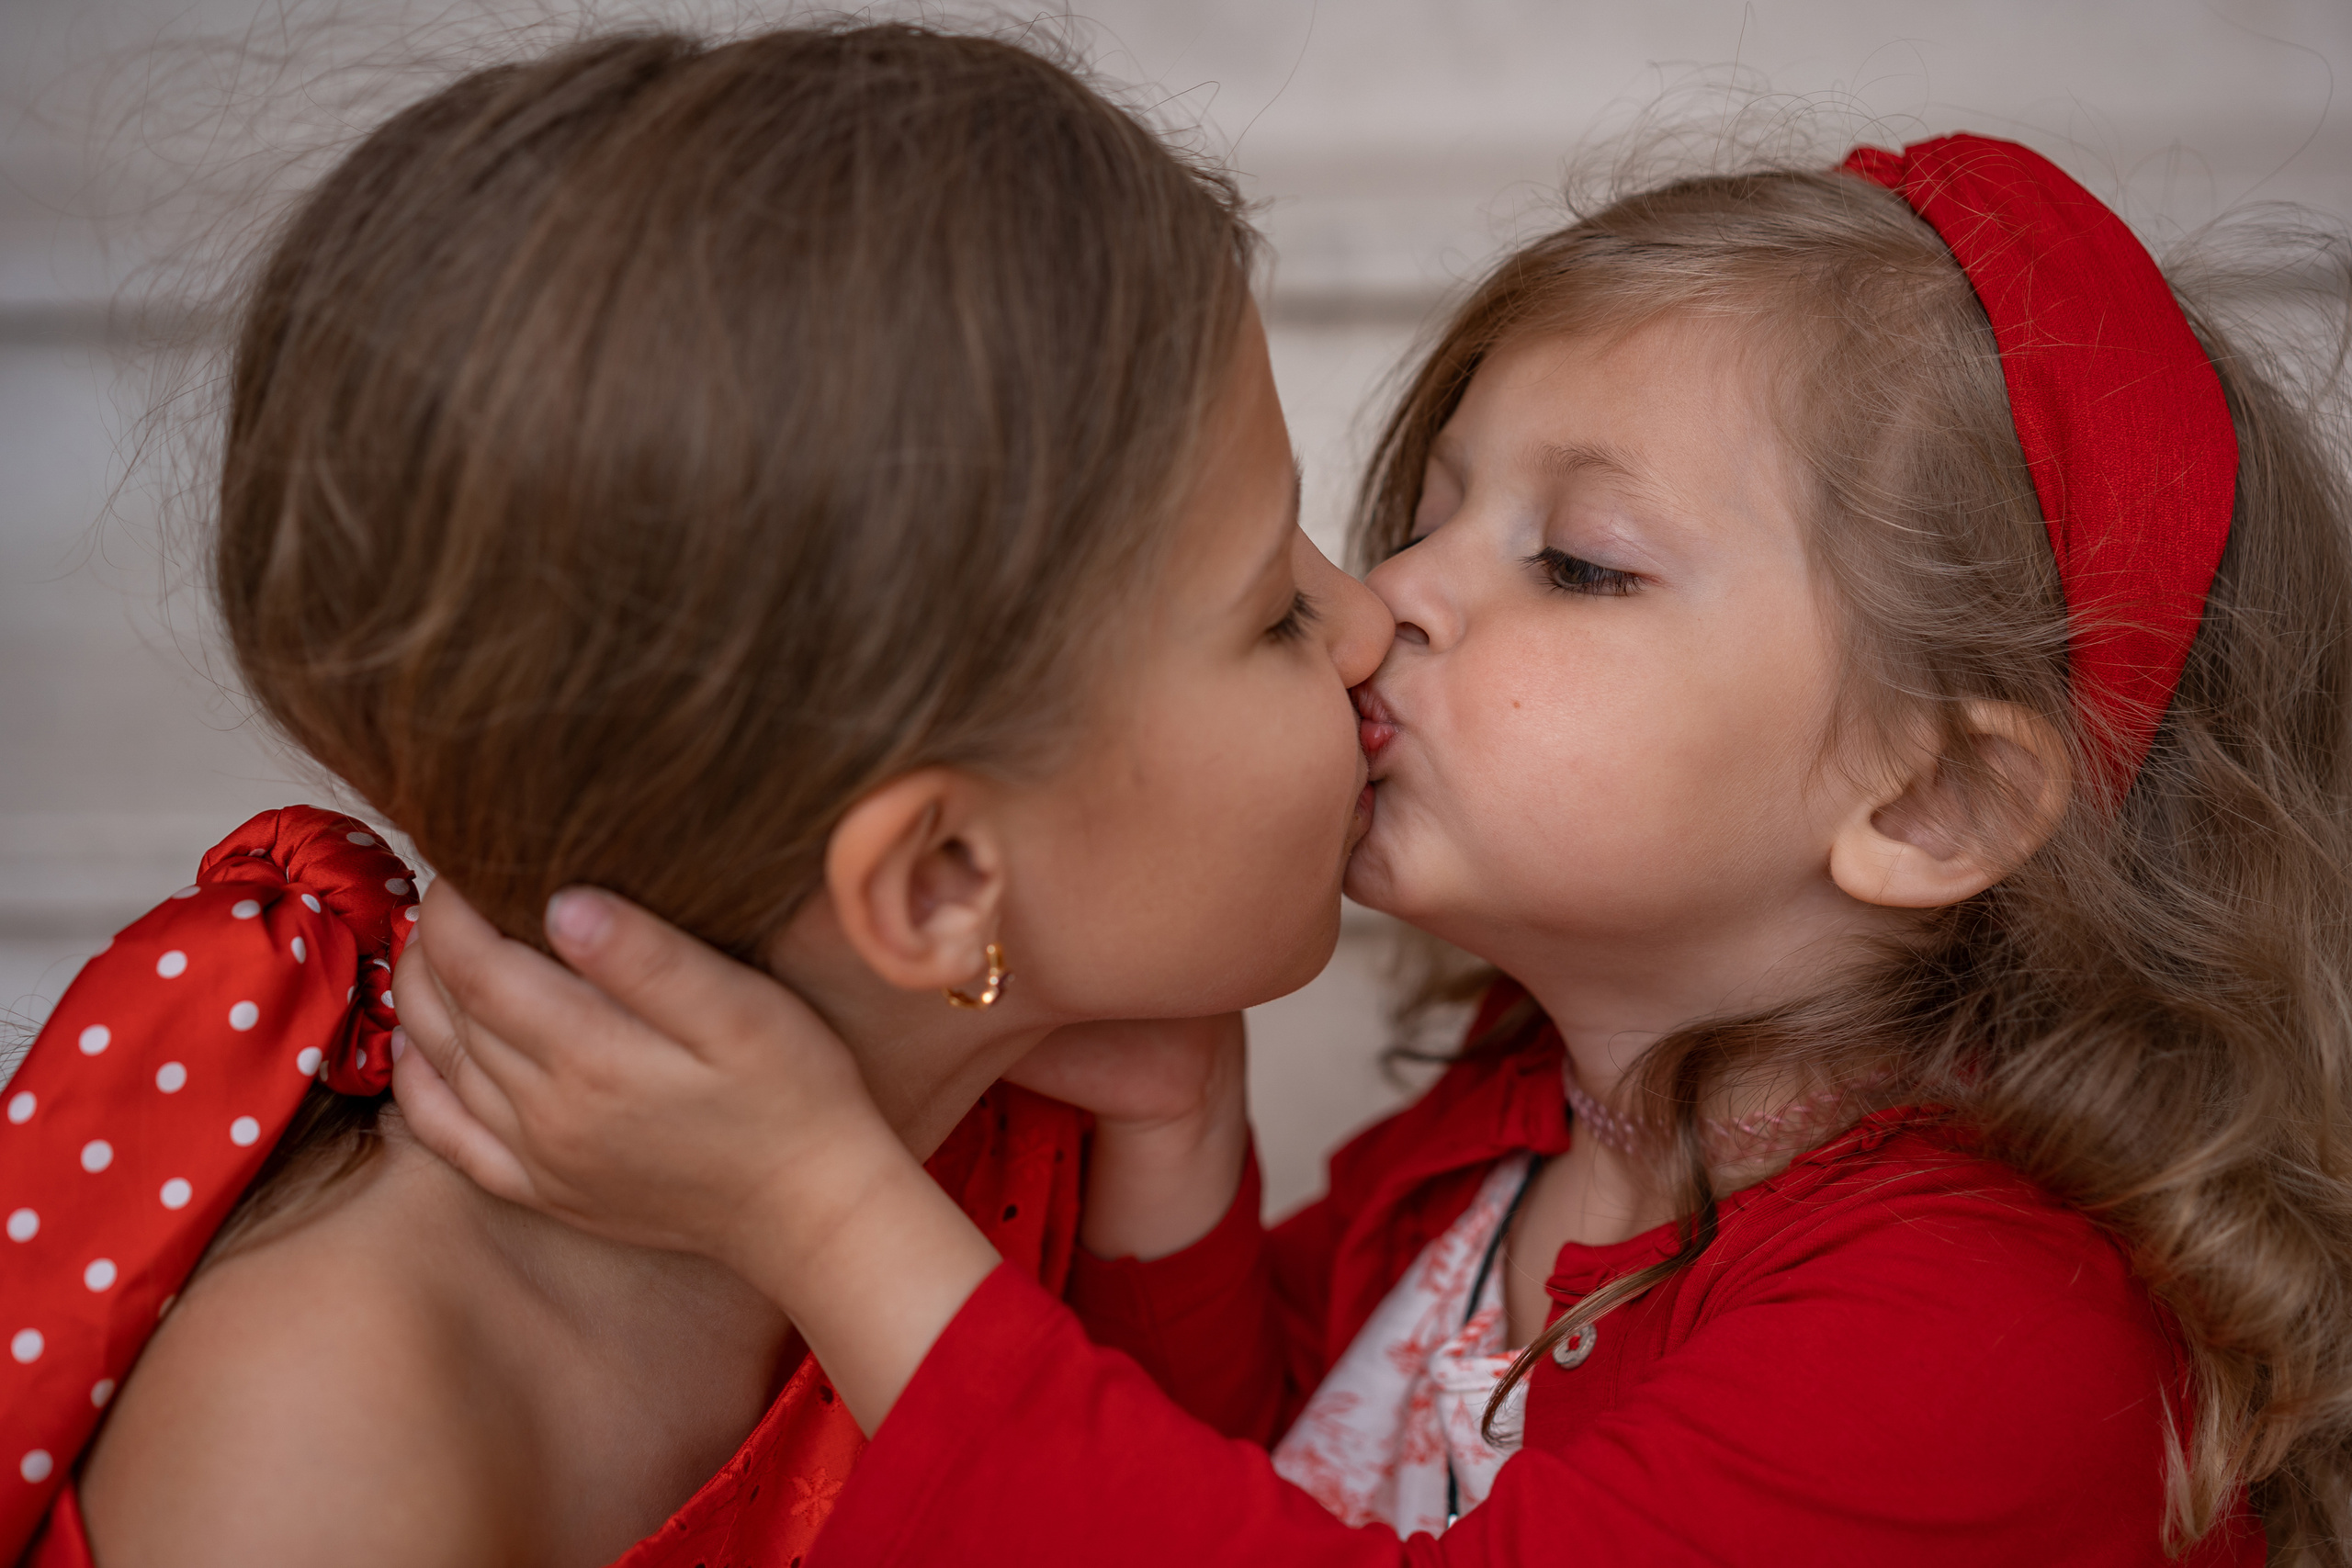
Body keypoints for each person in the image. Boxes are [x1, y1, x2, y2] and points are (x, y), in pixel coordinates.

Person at [393, 134, 2352, 1563]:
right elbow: (1231, 1483)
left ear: (1923, 801)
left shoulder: (1992, 1327)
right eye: (1423, 510)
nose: (1387, 596)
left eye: (1573, 562)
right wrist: (1171, 1138)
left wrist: (816, 1206)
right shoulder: (1515, 1138)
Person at [0, 21, 1394, 1567]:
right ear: (933, 887)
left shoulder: (992, 1102)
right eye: (1275, 609)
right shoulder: (331, 1447)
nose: (1374, 625)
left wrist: (1177, 1139)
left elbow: (1205, 1511)